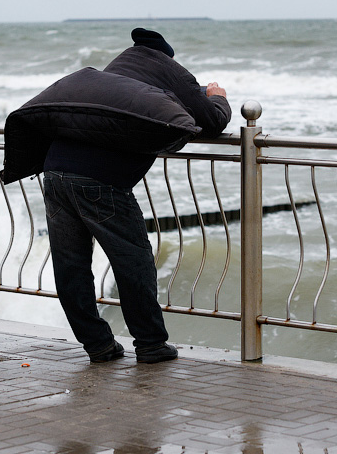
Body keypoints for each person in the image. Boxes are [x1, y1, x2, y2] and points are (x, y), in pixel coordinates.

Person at [41, 28, 230, 363]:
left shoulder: (109, 76)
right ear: (166, 58)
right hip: (100, 180)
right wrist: (217, 97)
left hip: (54, 171)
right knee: (134, 261)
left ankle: (98, 345)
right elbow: (213, 121)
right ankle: (151, 344)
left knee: (71, 266)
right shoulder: (170, 72)